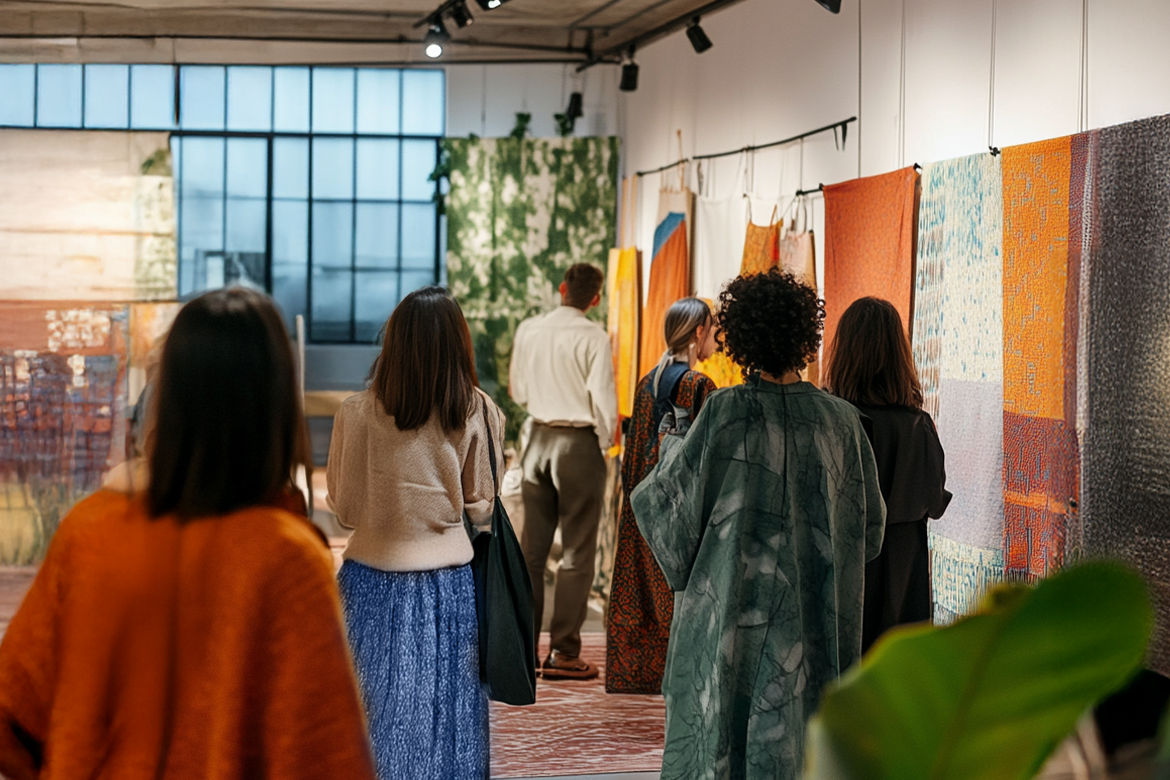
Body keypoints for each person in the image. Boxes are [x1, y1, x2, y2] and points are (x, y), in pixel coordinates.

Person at [0, 288, 377, 780]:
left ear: (167, 395)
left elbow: (13, 714)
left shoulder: (89, 533)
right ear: (275, 404)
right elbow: (328, 760)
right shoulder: (285, 560)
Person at [630, 268, 886, 780]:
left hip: (730, 616)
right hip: (811, 622)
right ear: (806, 338)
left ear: (741, 338)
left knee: (720, 729)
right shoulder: (842, 423)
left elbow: (666, 515)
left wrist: (673, 447)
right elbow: (870, 532)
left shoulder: (725, 414)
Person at [328, 286, 503, 780]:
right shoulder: (477, 409)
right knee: (447, 721)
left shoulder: (355, 412)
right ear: (458, 342)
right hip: (447, 585)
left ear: (394, 341)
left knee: (368, 715)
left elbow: (345, 510)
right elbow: (483, 505)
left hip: (367, 581)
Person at [509, 263, 618, 680]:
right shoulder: (594, 336)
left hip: (536, 440)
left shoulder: (528, 330)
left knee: (533, 554)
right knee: (576, 554)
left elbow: (519, 391)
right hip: (578, 445)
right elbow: (604, 402)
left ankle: (523, 652)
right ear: (596, 298)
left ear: (561, 289)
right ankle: (564, 653)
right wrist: (603, 443)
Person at [824, 296, 950, 652]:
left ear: (844, 353)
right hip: (903, 573)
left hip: (842, 564)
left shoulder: (830, 423)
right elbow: (935, 502)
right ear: (899, 355)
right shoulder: (918, 426)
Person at [606, 297, 718, 694]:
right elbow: (707, 458)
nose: (717, 340)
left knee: (642, 592)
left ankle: (639, 673)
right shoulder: (698, 386)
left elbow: (635, 451)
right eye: (714, 329)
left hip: (642, 507)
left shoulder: (646, 382)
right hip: (679, 515)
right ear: (699, 331)